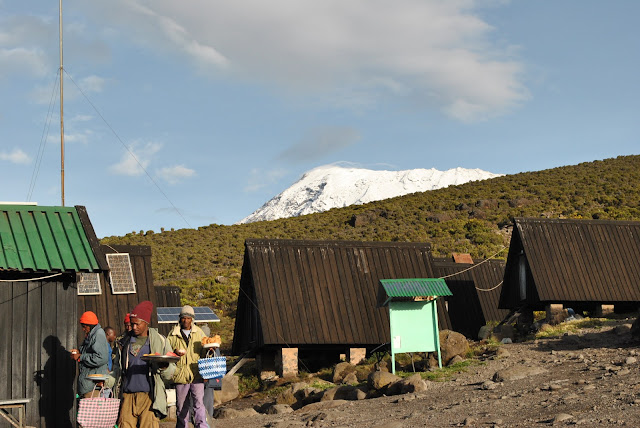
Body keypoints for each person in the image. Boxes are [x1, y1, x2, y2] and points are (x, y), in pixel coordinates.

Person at [118, 301, 176, 428]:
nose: (133, 327)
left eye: (137, 324)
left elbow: (171, 371)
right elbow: (119, 369)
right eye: (132, 324)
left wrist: (164, 366)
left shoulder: (160, 341)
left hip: (150, 396)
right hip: (128, 396)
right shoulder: (124, 342)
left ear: (146, 322)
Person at [167, 305, 208, 428]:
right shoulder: (173, 334)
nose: (186, 320)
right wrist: (175, 352)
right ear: (180, 319)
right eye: (183, 318)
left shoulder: (199, 333)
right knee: (181, 406)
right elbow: (167, 352)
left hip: (197, 374)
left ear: (192, 319)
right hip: (180, 375)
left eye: (188, 318)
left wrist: (209, 349)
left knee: (199, 404)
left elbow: (204, 354)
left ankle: (201, 426)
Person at [70, 311, 110, 398]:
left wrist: (81, 357)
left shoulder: (98, 334)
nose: (83, 329)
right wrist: (78, 353)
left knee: (93, 411)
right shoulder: (91, 335)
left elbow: (101, 358)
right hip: (89, 385)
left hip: (93, 386)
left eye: (84, 327)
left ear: (90, 325)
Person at [104, 326, 121, 396]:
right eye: (113, 335)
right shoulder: (104, 346)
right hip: (106, 375)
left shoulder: (108, 345)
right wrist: (107, 371)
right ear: (108, 334)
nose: (115, 337)